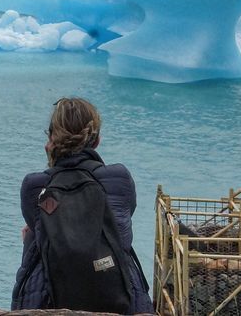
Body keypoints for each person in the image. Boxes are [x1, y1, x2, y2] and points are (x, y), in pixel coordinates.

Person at [12, 97, 153, 313]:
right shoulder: (119, 178)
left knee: (32, 237)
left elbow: (42, 226)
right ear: (96, 141)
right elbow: (123, 217)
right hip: (124, 301)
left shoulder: (34, 186)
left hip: (46, 302)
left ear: (51, 140)